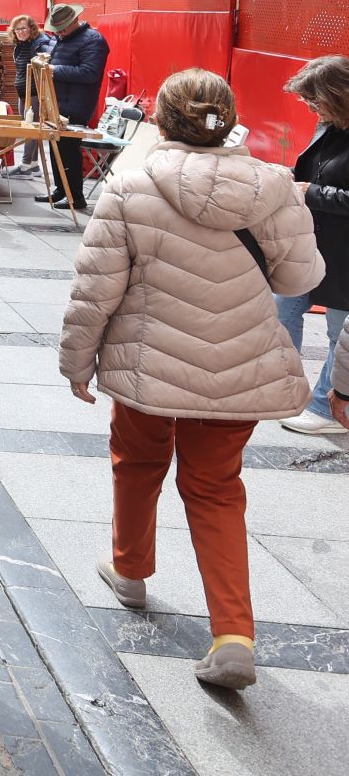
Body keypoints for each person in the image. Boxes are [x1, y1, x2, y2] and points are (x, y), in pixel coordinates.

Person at [61, 69, 322, 691]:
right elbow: (300, 279)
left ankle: (129, 569)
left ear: (160, 120)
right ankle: (233, 634)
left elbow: (96, 292)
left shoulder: (129, 187)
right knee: (216, 489)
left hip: (149, 367)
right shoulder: (276, 186)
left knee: (136, 463)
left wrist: (77, 363)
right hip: (240, 368)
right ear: (228, 119)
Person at [276, 55, 349, 434]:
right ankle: (282, 390)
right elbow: (317, 169)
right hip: (312, 241)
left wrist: (312, 192)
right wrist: (288, 177)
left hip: (343, 253)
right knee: (280, 311)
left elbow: (325, 186)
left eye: (315, 100)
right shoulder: (331, 124)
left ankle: (327, 409)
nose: (310, 108)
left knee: (340, 333)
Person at [40, 3, 109, 211]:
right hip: (59, 102)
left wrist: (54, 69)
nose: (59, 32)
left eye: (62, 28)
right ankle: (61, 190)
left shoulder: (93, 40)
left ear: (74, 21)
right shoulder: (62, 39)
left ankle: (75, 196)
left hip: (76, 104)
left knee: (68, 149)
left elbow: (90, 73)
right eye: (56, 29)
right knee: (56, 147)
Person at [4, 14, 54, 177]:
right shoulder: (21, 45)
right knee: (31, 127)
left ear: (31, 28)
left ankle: (25, 166)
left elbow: (48, 60)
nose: (20, 32)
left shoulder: (40, 43)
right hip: (23, 93)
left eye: (24, 28)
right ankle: (33, 165)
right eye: (17, 29)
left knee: (30, 129)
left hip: (34, 93)